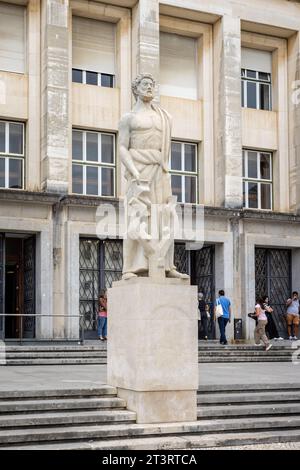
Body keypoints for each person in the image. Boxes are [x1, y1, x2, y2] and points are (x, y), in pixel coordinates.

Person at [119, 73, 188, 281]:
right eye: (144, 84)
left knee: (164, 216)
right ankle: (129, 267)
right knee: (137, 217)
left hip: (160, 170)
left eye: (151, 85)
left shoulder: (164, 117)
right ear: (136, 89)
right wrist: (135, 172)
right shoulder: (129, 118)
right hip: (139, 168)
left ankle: (167, 265)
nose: (149, 88)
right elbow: (122, 147)